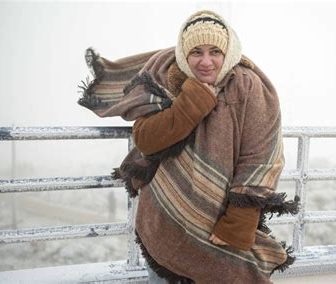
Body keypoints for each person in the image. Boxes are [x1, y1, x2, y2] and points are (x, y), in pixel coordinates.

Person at [78, 10, 299, 284]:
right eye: (196, 52)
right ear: (183, 54)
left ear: (228, 52)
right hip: (163, 217)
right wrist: (191, 103)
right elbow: (146, 139)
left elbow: (261, 155)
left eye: (215, 51)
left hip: (222, 218)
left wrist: (240, 219)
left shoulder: (250, 87)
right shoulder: (164, 77)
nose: (205, 62)